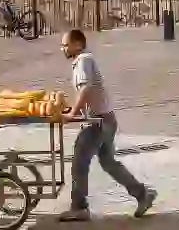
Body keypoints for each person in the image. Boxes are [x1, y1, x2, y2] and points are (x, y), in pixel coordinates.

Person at [58, 29, 156, 222]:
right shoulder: (83, 61)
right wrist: (73, 109)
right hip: (106, 120)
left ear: (78, 44)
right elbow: (87, 93)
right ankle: (143, 194)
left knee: (79, 160)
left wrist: (73, 114)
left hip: (98, 122)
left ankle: (79, 207)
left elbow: (86, 89)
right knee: (108, 162)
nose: (63, 49)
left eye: (66, 45)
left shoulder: (83, 60)